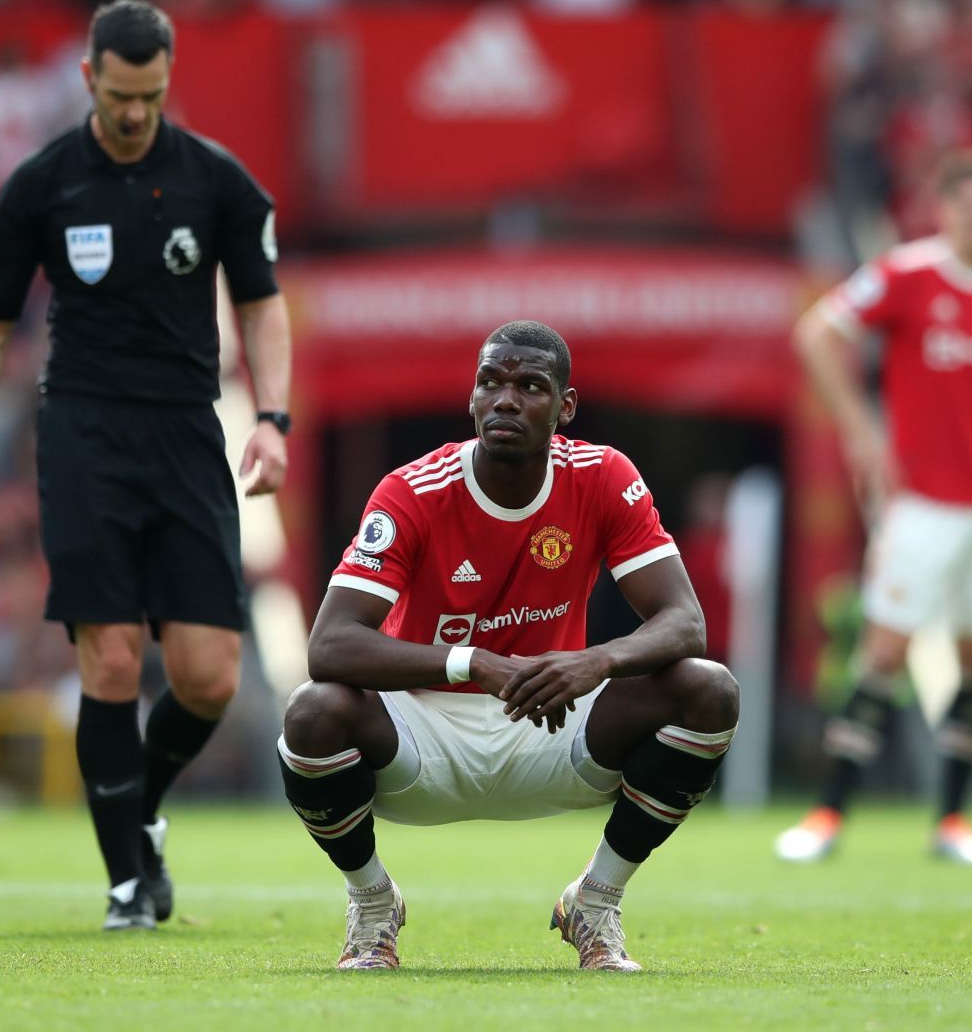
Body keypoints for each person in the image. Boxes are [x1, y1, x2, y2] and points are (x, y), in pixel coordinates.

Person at [0, 0, 291, 931]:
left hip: (187, 431)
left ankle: (138, 805)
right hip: (86, 435)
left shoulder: (215, 181)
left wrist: (271, 415)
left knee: (210, 674)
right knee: (107, 658)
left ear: (166, 80)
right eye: (121, 93)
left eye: (152, 94)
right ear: (88, 77)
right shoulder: (42, 184)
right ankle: (127, 881)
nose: (136, 111)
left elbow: (262, 301)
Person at [279, 320, 739, 972]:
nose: (505, 400)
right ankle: (373, 902)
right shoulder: (413, 490)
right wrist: (473, 663)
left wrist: (596, 660)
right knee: (311, 711)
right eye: (490, 383)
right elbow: (328, 645)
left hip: (554, 727)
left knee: (710, 688)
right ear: (471, 399)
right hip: (422, 736)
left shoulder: (603, 476)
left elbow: (684, 622)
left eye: (529, 386)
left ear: (565, 407)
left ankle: (597, 899)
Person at [774, 148, 972, 867]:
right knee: (883, 651)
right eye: (967, 204)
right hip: (923, 505)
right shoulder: (907, 273)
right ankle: (827, 814)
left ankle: (953, 823)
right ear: (945, 211)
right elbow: (817, 333)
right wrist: (860, 432)